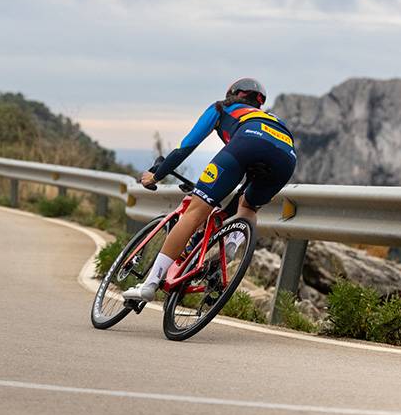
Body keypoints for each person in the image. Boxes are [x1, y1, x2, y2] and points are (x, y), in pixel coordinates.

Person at [123, 78, 297, 302]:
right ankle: (233, 243)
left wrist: (156, 175)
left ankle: (150, 284)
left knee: (195, 211)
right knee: (248, 206)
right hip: (287, 157)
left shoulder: (221, 107)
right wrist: (225, 213)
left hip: (248, 144)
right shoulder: (270, 118)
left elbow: (185, 146)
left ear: (232, 94)